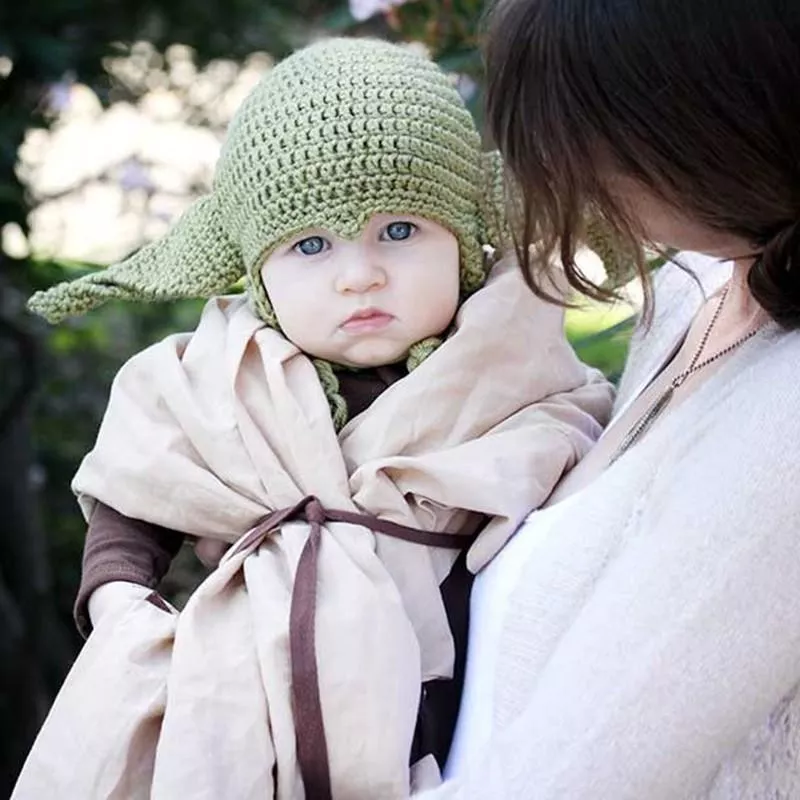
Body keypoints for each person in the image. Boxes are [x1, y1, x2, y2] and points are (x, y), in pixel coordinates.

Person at [12, 38, 614, 800]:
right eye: (310, 246)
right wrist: (122, 608)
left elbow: (580, 507)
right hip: (254, 704)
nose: (358, 274)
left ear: (468, 237)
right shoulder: (211, 389)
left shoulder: (517, 377)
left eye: (399, 231)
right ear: (256, 274)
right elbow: (138, 498)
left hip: (466, 717)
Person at [417, 1, 800, 798]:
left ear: (707, 127)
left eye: (589, 134)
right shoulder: (693, 289)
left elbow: (581, 775)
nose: (570, 170)